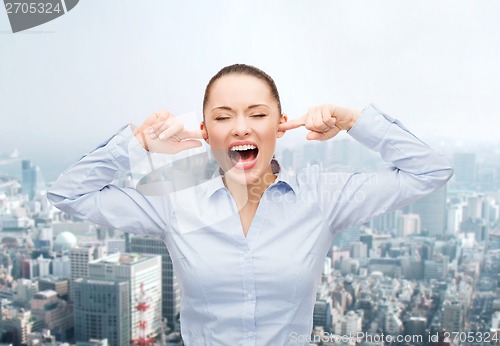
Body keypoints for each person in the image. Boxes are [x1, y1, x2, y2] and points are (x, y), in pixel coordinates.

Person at [47, 63, 453, 345]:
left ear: (280, 124)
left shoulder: (323, 197)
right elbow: (68, 194)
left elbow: (430, 172)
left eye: (257, 114)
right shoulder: (176, 202)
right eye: (223, 118)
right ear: (205, 132)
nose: (241, 127)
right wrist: (138, 145)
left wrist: (354, 121)